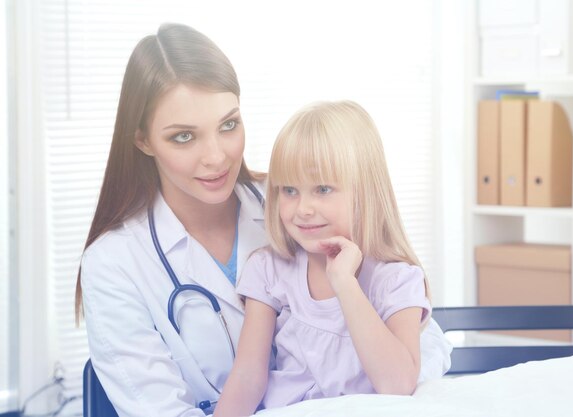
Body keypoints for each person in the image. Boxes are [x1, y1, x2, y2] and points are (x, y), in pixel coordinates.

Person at [76, 23, 450, 417]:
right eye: (184, 137)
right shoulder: (114, 263)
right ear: (143, 140)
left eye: (228, 125)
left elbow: (420, 349)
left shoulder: (303, 206)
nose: (216, 156)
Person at [213, 100, 452, 417]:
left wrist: (345, 283)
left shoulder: (396, 279)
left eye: (322, 189)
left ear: (365, 191)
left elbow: (397, 385)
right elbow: (247, 377)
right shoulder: (269, 269)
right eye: (289, 190)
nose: (303, 209)